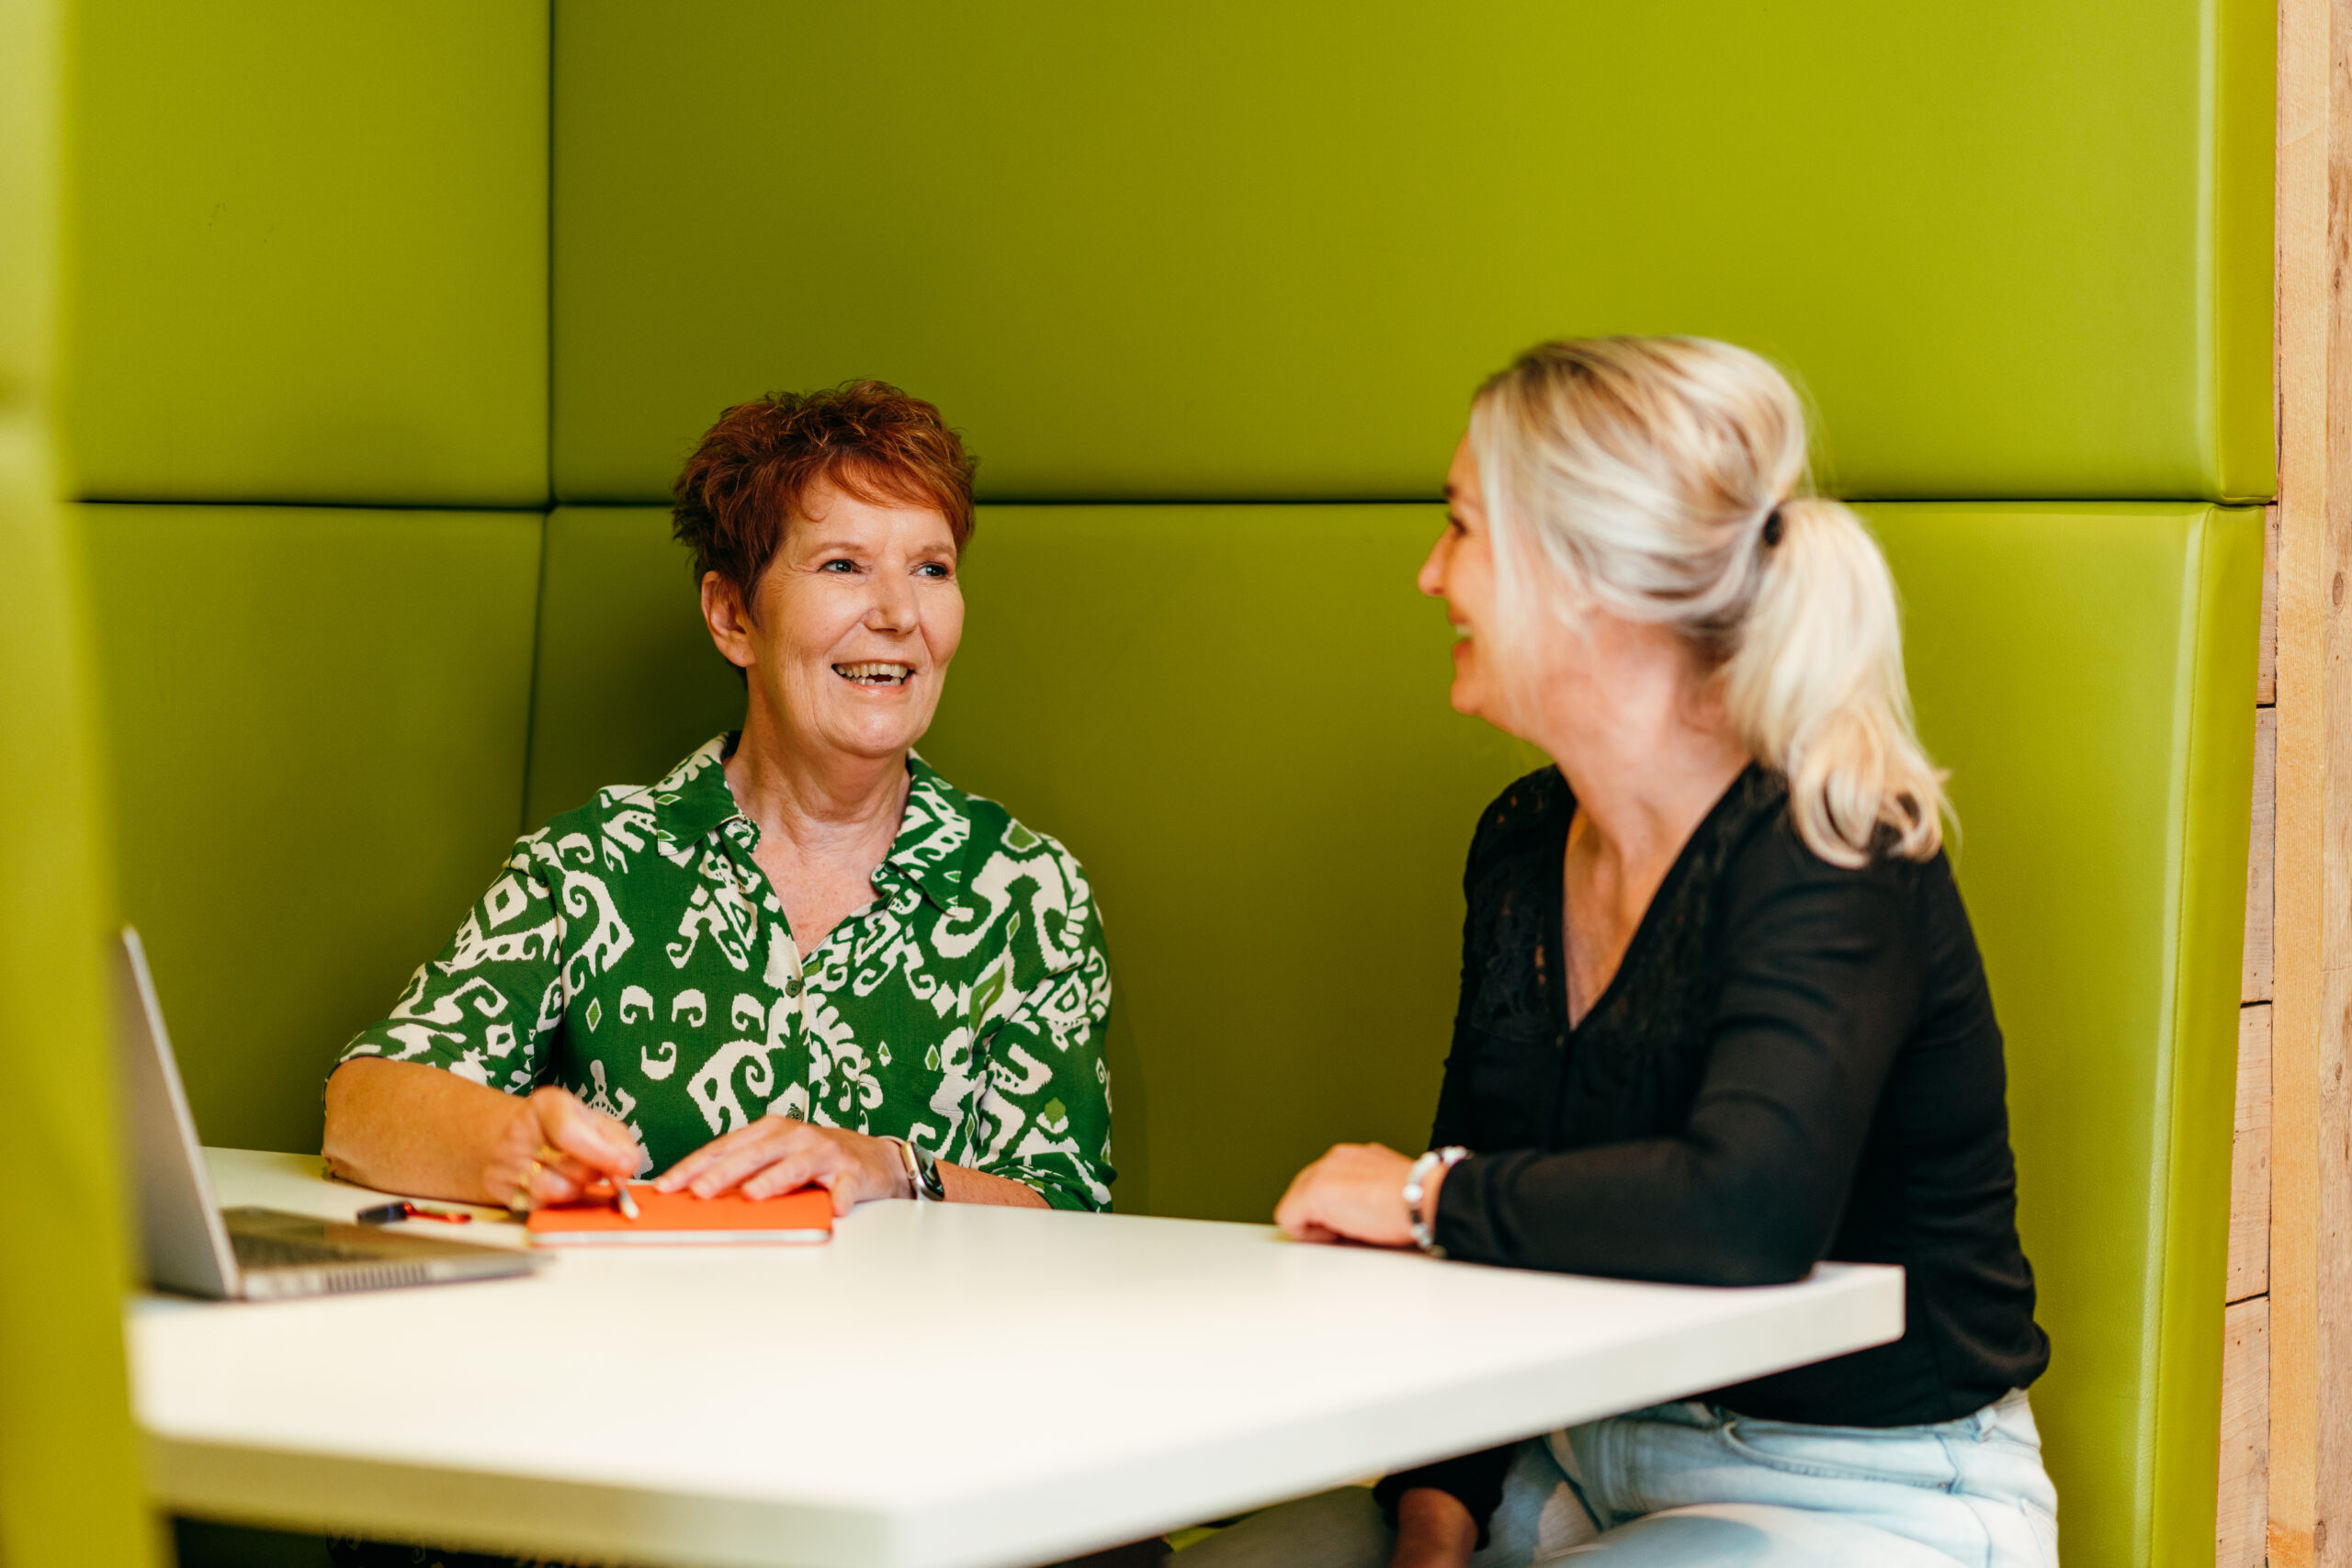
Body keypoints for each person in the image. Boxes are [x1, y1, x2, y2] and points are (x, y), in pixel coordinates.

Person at [1188, 338, 2055, 1567]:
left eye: (1463, 530)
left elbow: (1745, 1206)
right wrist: (1437, 1509)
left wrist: (1424, 1192)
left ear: (1585, 579)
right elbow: (1475, 1238)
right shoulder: (1524, 840)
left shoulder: (1830, 838)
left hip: (1858, 1493)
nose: (1433, 574)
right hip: (1563, 1461)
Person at [322, 380, 1115, 1220]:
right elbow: (362, 1111)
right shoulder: (596, 862)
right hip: (641, 1346)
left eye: (931, 568)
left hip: (913, 1353)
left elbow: (1067, 1206)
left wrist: (887, 1166)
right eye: (844, 565)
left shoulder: (1030, 891)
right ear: (733, 614)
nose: (898, 613)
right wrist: (513, 1144)